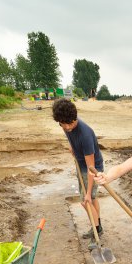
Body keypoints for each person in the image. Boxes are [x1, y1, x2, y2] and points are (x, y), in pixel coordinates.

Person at [52, 99, 104, 242]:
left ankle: (96, 231)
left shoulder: (85, 135)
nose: (68, 127)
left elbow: (91, 168)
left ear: (75, 118)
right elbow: (69, 134)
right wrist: (72, 146)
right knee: (92, 200)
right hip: (81, 165)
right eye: (64, 124)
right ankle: (98, 227)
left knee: (86, 201)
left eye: (71, 123)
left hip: (92, 169)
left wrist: (87, 193)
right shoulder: (66, 123)